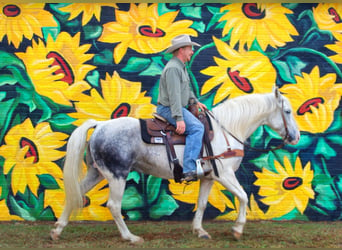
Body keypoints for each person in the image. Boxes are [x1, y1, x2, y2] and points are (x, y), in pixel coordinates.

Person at [157, 34, 210, 182]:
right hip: (169, 109)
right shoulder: (174, 68)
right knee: (197, 128)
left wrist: (195, 101)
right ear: (181, 50)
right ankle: (189, 169)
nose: (192, 51)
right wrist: (179, 119)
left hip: (176, 107)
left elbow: (186, 89)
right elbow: (174, 96)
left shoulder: (181, 67)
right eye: (190, 48)